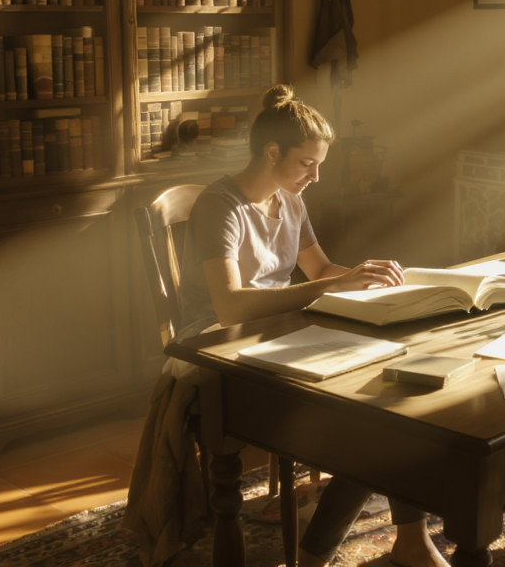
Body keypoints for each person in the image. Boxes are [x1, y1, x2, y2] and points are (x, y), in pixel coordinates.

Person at [180, 84, 450, 567]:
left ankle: (408, 540)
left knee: (396, 408)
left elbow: (320, 270)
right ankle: (324, 554)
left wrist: (365, 278)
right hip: (220, 346)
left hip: (282, 331)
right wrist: (332, 286)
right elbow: (230, 308)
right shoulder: (221, 205)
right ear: (272, 152)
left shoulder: (290, 201)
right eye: (307, 163)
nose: (316, 176)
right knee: (370, 429)